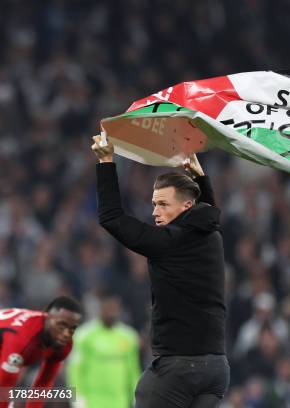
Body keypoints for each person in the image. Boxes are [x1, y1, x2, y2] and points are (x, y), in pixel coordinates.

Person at [91, 135, 229, 408]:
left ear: (186, 206)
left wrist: (106, 160)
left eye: (163, 204)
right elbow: (209, 213)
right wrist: (201, 179)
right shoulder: (213, 237)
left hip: (177, 370)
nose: (155, 212)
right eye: (154, 203)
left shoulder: (167, 242)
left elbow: (111, 218)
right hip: (215, 370)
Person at [0, 296, 82, 408]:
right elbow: (5, 386)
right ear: (47, 318)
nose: (66, 334)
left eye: (72, 328)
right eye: (61, 326)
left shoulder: (65, 345)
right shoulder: (22, 339)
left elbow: (43, 383)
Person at [67, 292, 140, 408]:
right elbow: (75, 369)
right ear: (101, 309)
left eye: (114, 309)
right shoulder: (84, 335)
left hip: (120, 400)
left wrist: (137, 398)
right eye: (108, 308)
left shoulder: (129, 337)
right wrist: (77, 397)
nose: (111, 313)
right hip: (92, 400)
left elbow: (133, 371)